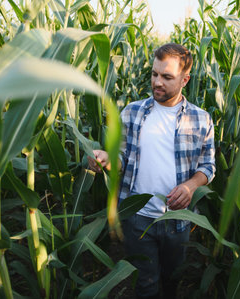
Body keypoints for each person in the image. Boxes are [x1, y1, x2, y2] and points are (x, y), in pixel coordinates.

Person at [88, 43, 215, 299]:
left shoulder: (201, 119)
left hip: (177, 221)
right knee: (145, 285)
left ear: (184, 79)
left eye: (167, 77)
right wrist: (106, 160)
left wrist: (190, 187)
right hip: (137, 218)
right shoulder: (132, 112)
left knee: (171, 280)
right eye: (155, 74)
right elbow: (121, 157)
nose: (157, 82)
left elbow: (208, 166)